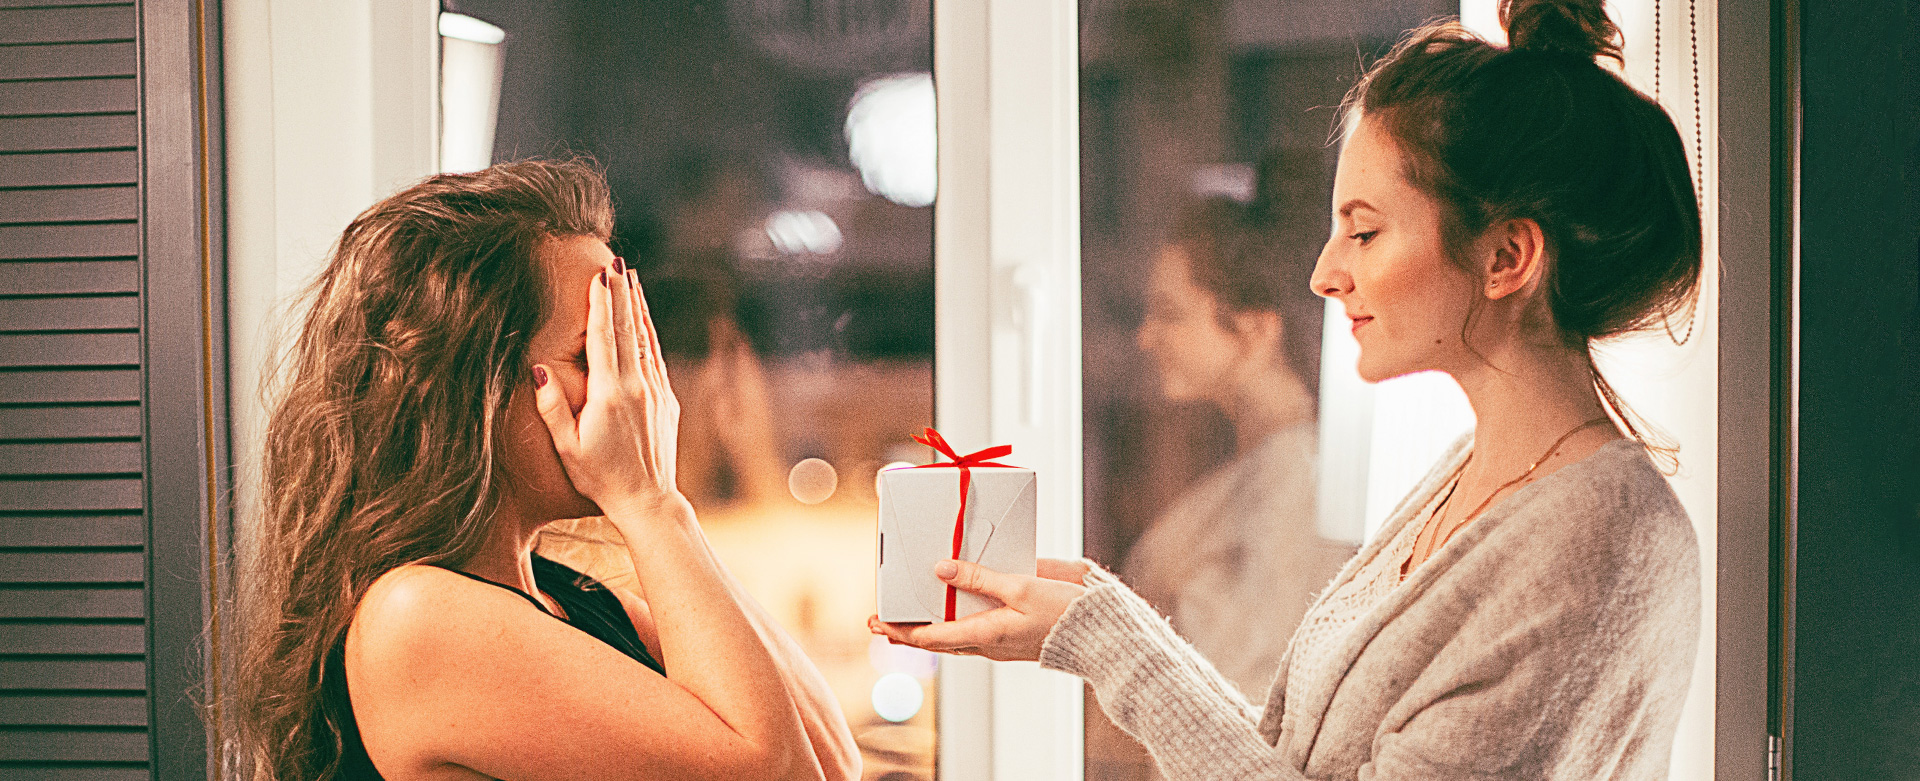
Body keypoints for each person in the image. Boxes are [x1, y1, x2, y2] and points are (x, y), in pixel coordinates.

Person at [872, 1, 1704, 777]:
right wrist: (1096, 614)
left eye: (1365, 231)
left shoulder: (1597, 538)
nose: (1324, 273)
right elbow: (1292, 757)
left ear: (1506, 258)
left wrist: (1105, 639)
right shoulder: (1474, 474)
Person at [230, 159, 860, 781]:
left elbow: (831, 757)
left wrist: (662, 501)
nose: (634, 389)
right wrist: (649, 504)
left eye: (632, 350)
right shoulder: (417, 617)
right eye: (597, 354)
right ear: (473, 386)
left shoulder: (573, 597)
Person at [1125, 195, 1354, 704]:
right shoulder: (1257, 470)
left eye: (1169, 312)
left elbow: (1252, 684)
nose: (1147, 336)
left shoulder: (1302, 484)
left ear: (1254, 330)